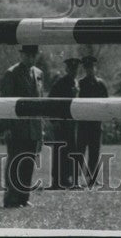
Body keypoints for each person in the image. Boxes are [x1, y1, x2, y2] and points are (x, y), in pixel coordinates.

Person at [0, 44, 44, 208]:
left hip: (32, 127)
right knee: (15, 162)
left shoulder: (38, 74)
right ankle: (11, 198)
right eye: (27, 55)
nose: (30, 58)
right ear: (22, 55)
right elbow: (5, 102)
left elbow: (40, 104)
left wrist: (40, 131)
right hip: (16, 126)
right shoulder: (12, 73)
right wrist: (6, 127)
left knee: (28, 162)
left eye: (33, 55)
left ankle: (24, 197)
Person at [47, 56, 80, 190]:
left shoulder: (76, 83)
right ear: (67, 69)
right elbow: (50, 102)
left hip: (73, 123)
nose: (73, 71)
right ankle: (57, 180)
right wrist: (54, 120)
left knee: (73, 151)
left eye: (76, 69)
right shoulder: (60, 83)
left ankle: (68, 178)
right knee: (60, 151)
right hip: (62, 122)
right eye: (71, 68)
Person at [75, 54, 108, 187]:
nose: (90, 70)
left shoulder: (100, 84)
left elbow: (106, 102)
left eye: (92, 67)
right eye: (87, 67)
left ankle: (92, 179)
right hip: (83, 123)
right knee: (80, 152)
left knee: (94, 153)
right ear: (85, 69)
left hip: (95, 123)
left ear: (95, 68)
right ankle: (76, 179)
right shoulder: (80, 84)